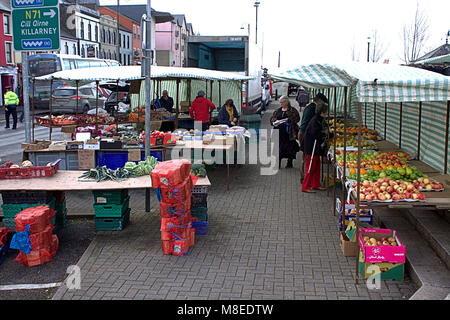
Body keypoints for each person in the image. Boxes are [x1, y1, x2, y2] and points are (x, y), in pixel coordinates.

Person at [298, 93, 329, 181]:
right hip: (305, 134)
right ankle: (304, 178)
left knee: (306, 157)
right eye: (322, 102)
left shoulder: (310, 106)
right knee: (307, 157)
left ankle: (305, 177)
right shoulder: (312, 109)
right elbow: (313, 126)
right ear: (319, 100)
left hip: (305, 132)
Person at [270, 95, 300, 169]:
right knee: (278, 148)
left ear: (287, 102)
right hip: (279, 133)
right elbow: (272, 118)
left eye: (282, 102)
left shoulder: (292, 110)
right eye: (280, 102)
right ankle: (278, 163)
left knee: (290, 148)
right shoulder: (278, 110)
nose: (281, 104)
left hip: (289, 133)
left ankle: (289, 162)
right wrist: (274, 120)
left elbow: (297, 118)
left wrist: (289, 120)